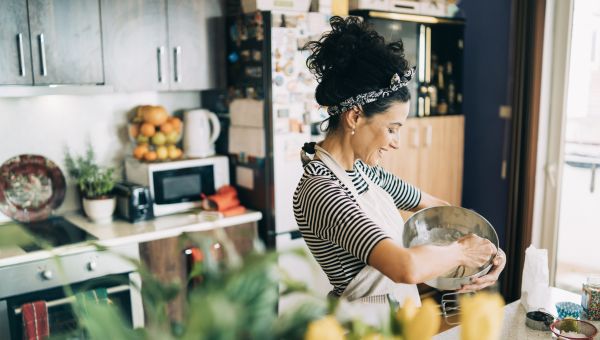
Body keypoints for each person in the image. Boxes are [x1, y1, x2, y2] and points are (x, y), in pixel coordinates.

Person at [293, 16, 506, 312]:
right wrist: (461, 251)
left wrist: (488, 251)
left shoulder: (366, 172)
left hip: (398, 317)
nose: (396, 142)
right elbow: (404, 267)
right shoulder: (321, 191)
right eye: (391, 128)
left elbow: (439, 212)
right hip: (362, 328)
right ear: (354, 117)